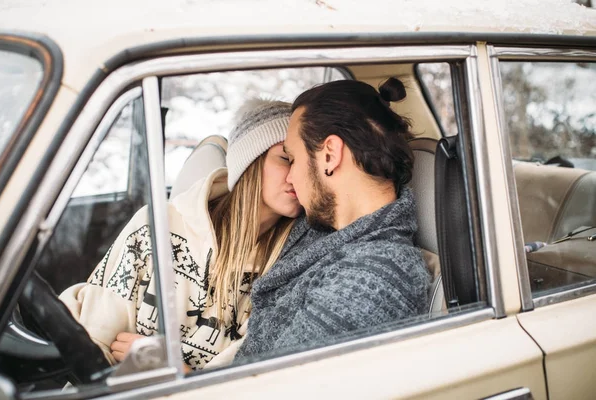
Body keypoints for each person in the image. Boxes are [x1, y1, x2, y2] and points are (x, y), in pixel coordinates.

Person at [60, 99, 301, 371]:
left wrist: (175, 371)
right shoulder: (158, 226)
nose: (297, 175)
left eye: (305, 163)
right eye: (285, 158)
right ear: (250, 160)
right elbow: (97, 340)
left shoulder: (292, 264)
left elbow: (245, 382)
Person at [234, 78, 431, 359]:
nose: (290, 177)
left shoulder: (374, 280)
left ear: (329, 155)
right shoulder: (326, 228)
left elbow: (275, 386)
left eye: (293, 159)